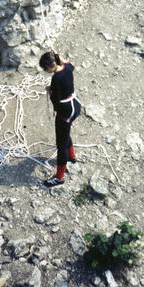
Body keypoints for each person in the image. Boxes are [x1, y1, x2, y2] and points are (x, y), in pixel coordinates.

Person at [39, 51, 81, 187]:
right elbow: (70, 65)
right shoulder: (67, 68)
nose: (45, 71)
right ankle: (72, 156)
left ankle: (59, 178)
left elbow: (56, 101)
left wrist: (49, 91)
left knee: (61, 144)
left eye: (45, 68)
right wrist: (58, 56)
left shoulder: (56, 78)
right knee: (65, 132)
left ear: (50, 65)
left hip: (66, 111)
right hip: (75, 105)